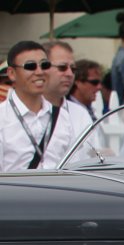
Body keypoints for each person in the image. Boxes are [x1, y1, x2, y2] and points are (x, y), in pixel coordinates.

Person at [1, 41, 88, 171]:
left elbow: (75, 168)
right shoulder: (3, 117)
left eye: (44, 65)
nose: (39, 72)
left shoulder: (62, 116)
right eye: (30, 66)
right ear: (12, 73)